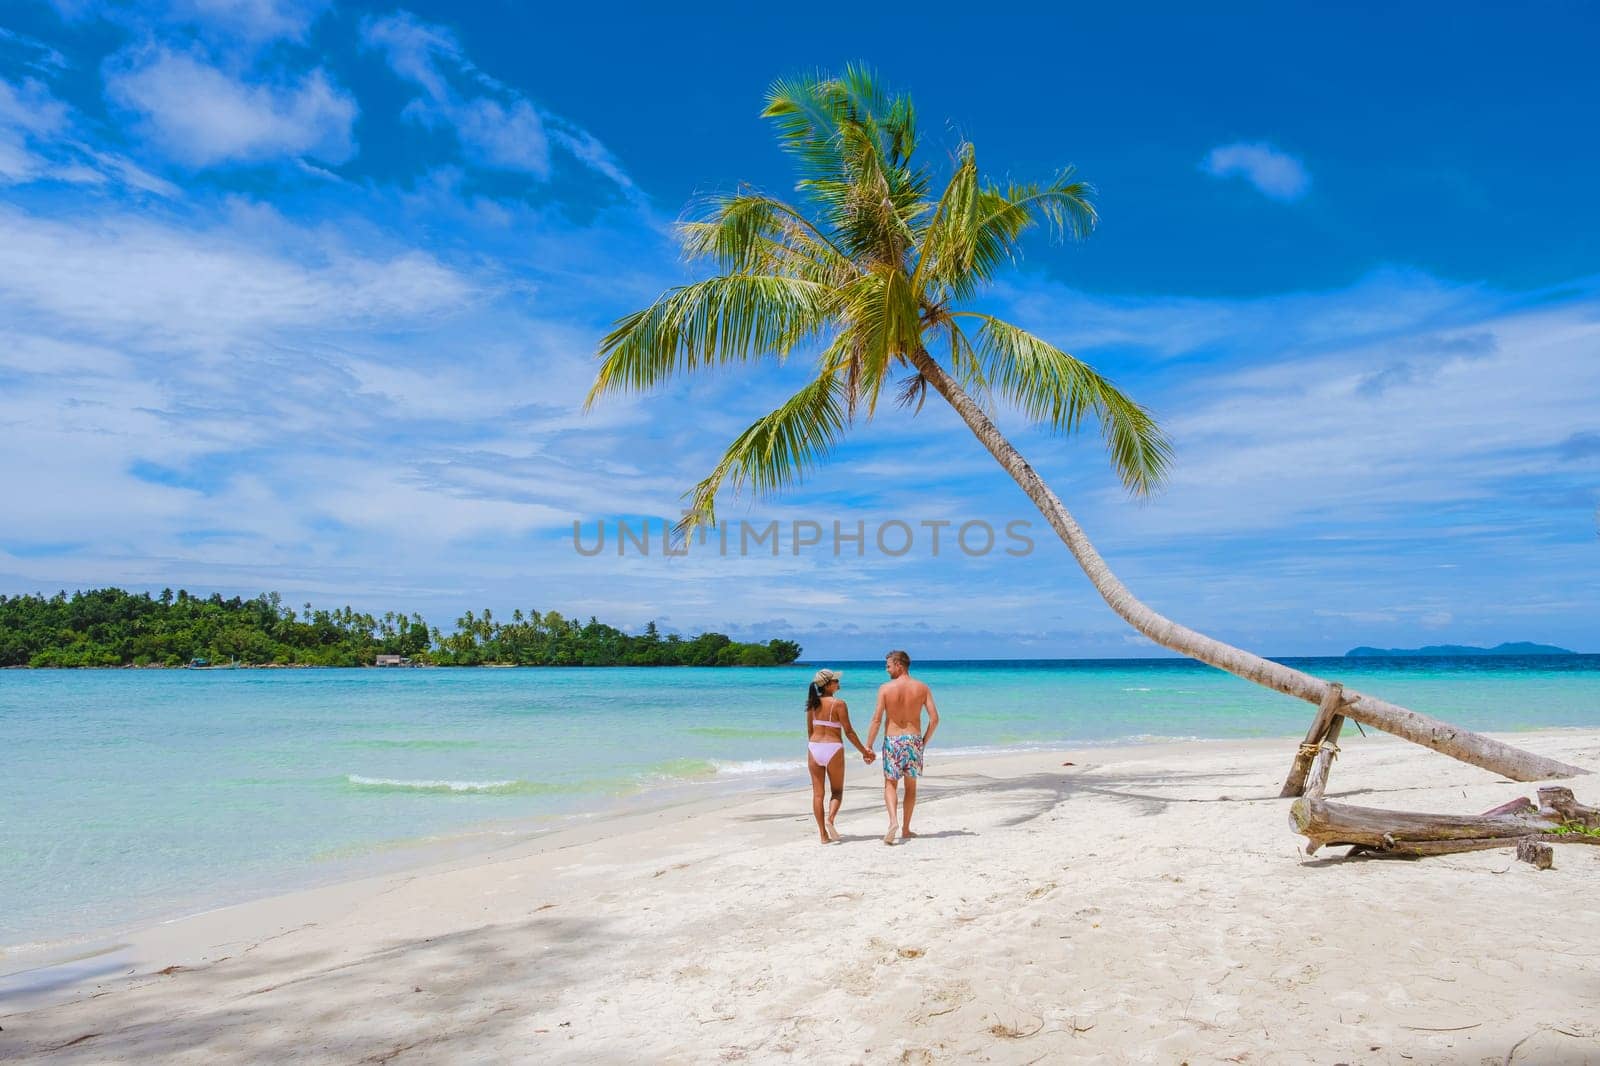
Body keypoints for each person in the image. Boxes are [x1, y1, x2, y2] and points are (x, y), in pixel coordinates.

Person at [866, 650, 939, 845]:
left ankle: (893, 822)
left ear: (899, 665)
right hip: (914, 740)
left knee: (890, 783)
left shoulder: (885, 689)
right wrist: (923, 741)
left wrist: (868, 746)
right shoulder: (922, 688)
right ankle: (906, 828)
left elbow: (876, 720)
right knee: (911, 787)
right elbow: (934, 719)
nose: (887, 670)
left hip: (893, 740)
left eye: (888, 666)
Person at [805, 667, 874, 844]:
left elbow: (810, 731)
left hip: (814, 747)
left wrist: (814, 747)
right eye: (835, 681)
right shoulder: (839, 704)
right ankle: (831, 819)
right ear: (827, 685)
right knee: (837, 791)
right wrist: (864, 751)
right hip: (833, 747)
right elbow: (849, 732)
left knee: (817, 794)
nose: (838, 683)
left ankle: (822, 835)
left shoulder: (812, 704)